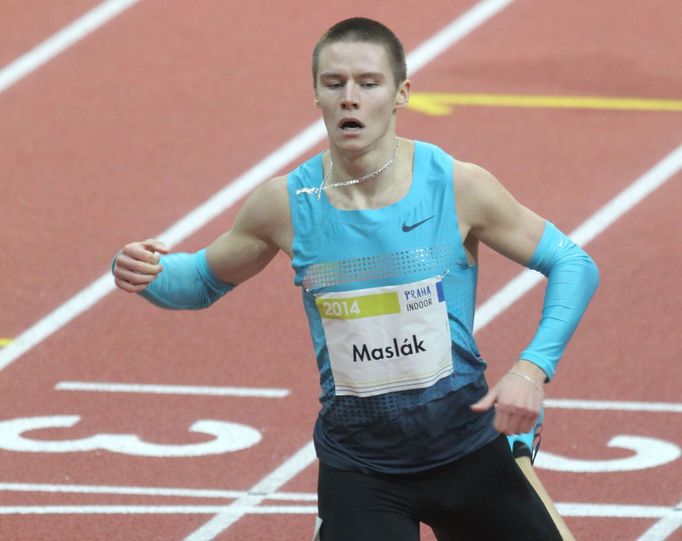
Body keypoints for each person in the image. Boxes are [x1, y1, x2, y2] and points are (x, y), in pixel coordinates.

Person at [112, 17, 598, 540]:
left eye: (368, 84)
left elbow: (573, 264)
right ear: (316, 95)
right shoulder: (287, 205)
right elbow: (201, 280)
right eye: (334, 83)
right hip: (362, 467)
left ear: (400, 93)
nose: (350, 98)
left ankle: (515, 451)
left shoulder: (456, 186)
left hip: (467, 449)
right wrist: (144, 271)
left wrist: (530, 370)